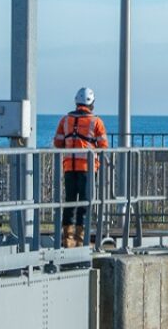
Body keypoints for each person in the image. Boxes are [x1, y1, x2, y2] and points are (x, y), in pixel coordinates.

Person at [51, 87, 108, 248]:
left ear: (76, 102)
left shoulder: (65, 120)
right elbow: (103, 146)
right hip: (88, 169)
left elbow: (58, 143)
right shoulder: (96, 122)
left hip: (69, 167)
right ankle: (81, 239)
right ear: (92, 103)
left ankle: (67, 240)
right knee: (85, 203)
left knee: (69, 203)